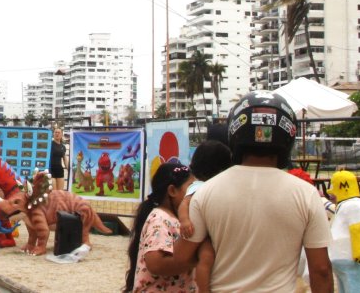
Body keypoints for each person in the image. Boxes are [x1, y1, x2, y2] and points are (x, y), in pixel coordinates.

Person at [170, 91, 333, 293]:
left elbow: (181, 257)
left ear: (234, 132)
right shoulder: (306, 194)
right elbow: (321, 270)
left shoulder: (207, 192)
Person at [123, 162, 195, 293]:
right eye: (191, 189)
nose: (195, 195)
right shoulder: (160, 220)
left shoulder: (175, 218)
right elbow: (156, 263)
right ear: (172, 191)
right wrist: (193, 261)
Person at [177, 140, 232, 293]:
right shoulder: (198, 186)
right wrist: (185, 220)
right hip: (202, 235)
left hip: (211, 231)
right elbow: (184, 204)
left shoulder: (213, 186)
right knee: (206, 259)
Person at [325, 170, 360, 293]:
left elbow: (358, 228)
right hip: (349, 258)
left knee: (351, 287)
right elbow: (358, 228)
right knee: (355, 287)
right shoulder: (352, 205)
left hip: (346, 257)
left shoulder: (350, 206)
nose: (332, 196)